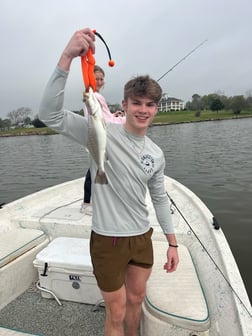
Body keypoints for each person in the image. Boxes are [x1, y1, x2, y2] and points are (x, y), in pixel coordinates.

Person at [39, 28, 179, 336]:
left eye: (150, 105)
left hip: (142, 238)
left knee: (136, 300)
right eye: (137, 103)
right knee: (115, 311)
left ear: (156, 109)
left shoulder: (156, 154)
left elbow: (158, 198)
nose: (143, 110)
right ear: (125, 104)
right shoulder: (97, 131)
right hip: (107, 240)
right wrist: (66, 57)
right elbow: (49, 115)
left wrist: (171, 242)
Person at [80, 64, 125, 215]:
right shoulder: (94, 96)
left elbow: (104, 118)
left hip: (100, 138)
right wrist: (125, 119)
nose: (99, 81)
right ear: (90, 79)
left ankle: (90, 201)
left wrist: (115, 115)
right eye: (96, 78)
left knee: (96, 169)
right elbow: (100, 119)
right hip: (98, 139)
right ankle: (87, 203)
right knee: (94, 170)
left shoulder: (95, 96)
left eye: (101, 79)